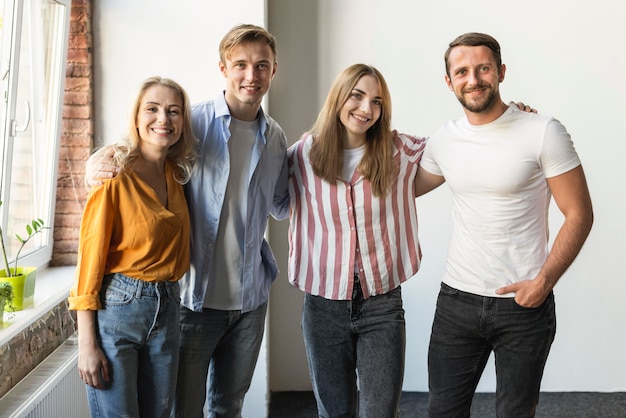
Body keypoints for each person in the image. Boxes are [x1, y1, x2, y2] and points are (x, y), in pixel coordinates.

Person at [86, 24, 288, 417]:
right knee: (183, 410)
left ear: (273, 70)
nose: (252, 75)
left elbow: (282, 203)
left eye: (262, 66)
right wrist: (96, 161)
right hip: (194, 302)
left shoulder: (275, 137)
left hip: (250, 302)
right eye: (241, 65)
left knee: (229, 406)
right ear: (223, 68)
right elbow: (139, 152)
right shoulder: (189, 125)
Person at [416, 32, 594, 417]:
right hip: (456, 301)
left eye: (483, 68)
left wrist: (543, 283)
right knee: (443, 411)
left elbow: (580, 213)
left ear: (500, 72)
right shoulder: (443, 141)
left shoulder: (542, 130)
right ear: (449, 82)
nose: (473, 79)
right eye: (461, 71)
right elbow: (398, 187)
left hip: (523, 304)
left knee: (515, 412)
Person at [288, 63, 427, 417]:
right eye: (358, 96)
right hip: (322, 306)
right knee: (333, 412)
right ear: (339, 97)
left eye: (377, 102)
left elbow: (460, 144)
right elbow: (259, 182)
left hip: (381, 303)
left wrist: (507, 121)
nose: (367, 109)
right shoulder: (303, 154)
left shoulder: (398, 152)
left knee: (380, 412)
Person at [69, 76, 196, 418]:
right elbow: (89, 263)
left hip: (169, 306)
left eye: (173, 111)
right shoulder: (113, 175)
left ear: (183, 122)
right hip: (119, 308)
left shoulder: (177, 174)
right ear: (136, 117)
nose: (163, 120)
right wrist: (87, 345)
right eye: (152, 109)